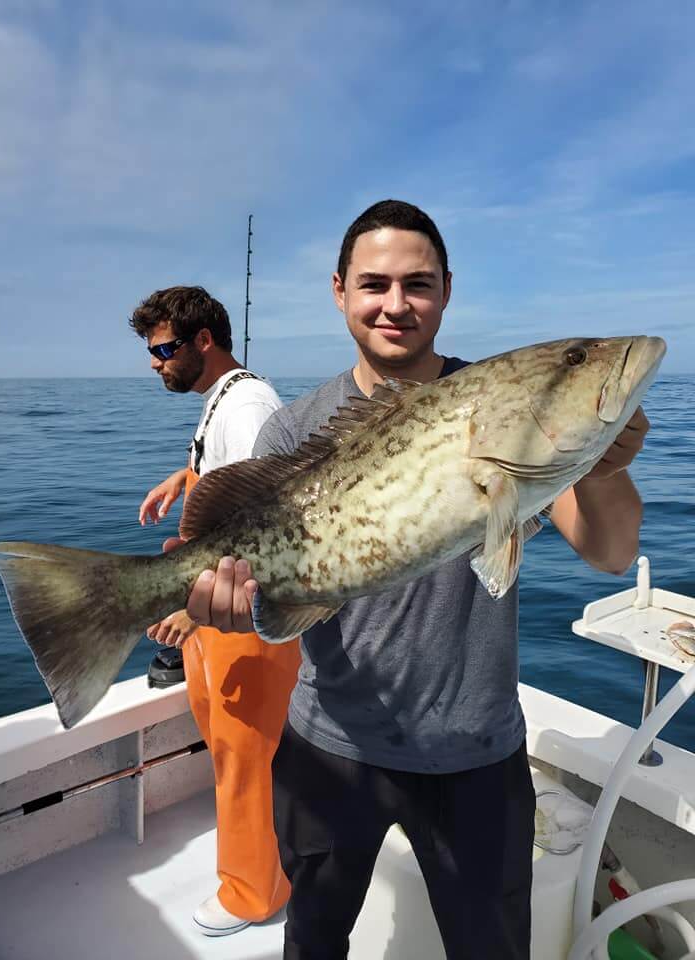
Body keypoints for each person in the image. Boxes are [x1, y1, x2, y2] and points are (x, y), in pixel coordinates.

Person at [179, 202, 650, 959]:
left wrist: (604, 465)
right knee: (314, 940)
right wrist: (220, 602)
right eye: (374, 284)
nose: (395, 304)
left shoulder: (505, 412)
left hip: (479, 754)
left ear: (447, 291)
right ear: (340, 290)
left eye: (418, 284)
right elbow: (268, 596)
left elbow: (612, 552)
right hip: (327, 747)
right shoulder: (294, 428)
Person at [129, 286, 301, 937]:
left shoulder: (250, 405)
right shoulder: (221, 400)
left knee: (245, 752)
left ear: (204, 341)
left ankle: (254, 894)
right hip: (216, 615)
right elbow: (227, 472)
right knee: (228, 745)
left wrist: (193, 613)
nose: (155, 363)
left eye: (164, 349)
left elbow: (264, 523)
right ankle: (262, 863)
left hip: (239, 618)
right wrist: (183, 477)